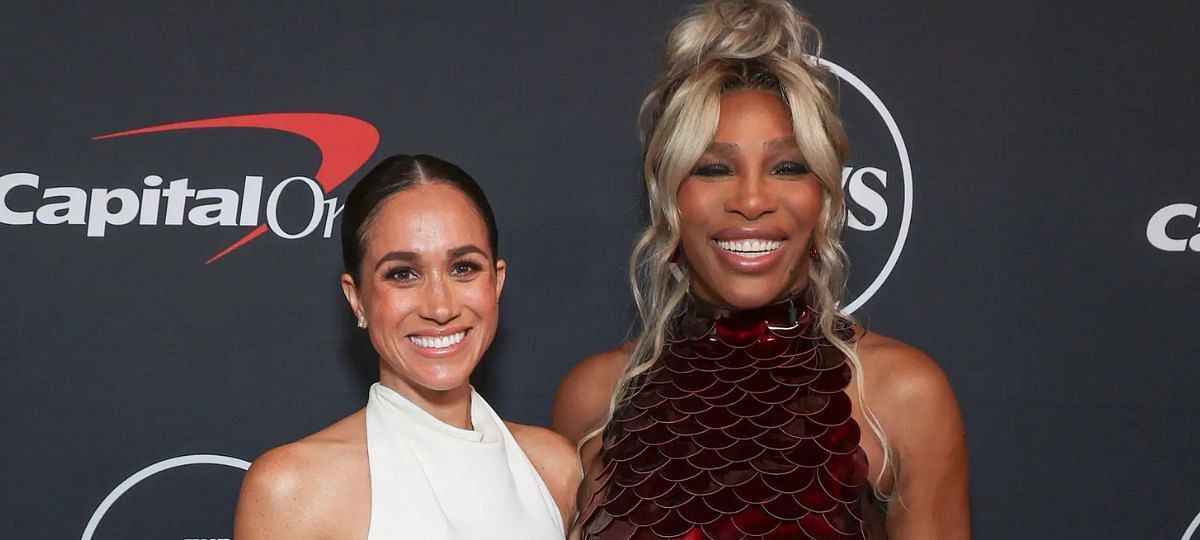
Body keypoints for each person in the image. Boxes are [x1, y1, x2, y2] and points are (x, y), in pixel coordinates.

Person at [551, 1, 969, 538]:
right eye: (715, 168)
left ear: (824, 195)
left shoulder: (905, 395)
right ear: (670, 198)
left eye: (788, 167)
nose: (751, 199)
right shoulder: (593, 396)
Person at [234, 154, 579, 540]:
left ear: (496, 283)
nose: (441, 307)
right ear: (357, 299)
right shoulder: (293, 491)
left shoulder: (556, 468)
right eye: (403, 274)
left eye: (463, 267)